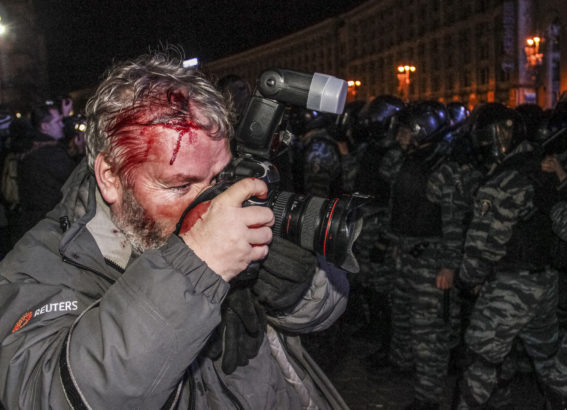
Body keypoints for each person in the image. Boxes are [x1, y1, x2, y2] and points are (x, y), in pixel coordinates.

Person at [0, 51, 349, 409]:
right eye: (180, 186)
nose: (211, 203)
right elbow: (45, 395)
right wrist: (196, 271)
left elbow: (331, 305)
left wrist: (297, 290)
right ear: (111, 177)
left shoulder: (236, 211)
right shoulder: (37, 267)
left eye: (220, 177)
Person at [454, 103, 561, 409]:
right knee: (551, 364)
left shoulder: (503, 180)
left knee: (480, 361)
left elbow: (485, 243)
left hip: (510, 286)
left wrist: (468, 279)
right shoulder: (542, 164)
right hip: (545, 281)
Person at [13, 102, 77, 242]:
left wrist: (66, 117)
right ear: (44, 126)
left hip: (36, 223)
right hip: (51, 224)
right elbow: (76, 178)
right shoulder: (50, 154)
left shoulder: (31, 146)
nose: (61, 125)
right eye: (57, 122)